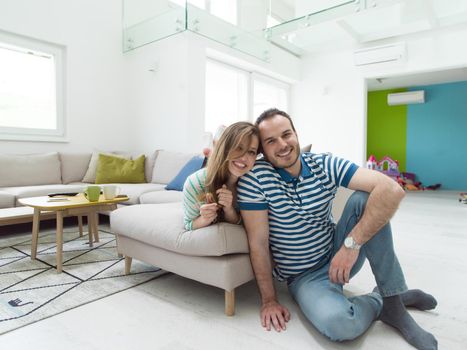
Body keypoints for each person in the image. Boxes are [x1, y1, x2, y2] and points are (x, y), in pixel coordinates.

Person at [237, 108, 438, 350]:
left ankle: (394, 304)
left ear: (296, 134)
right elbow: (258, 242)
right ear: (263, 150)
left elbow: (392, 189)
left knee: (367, 199)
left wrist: (350, 245)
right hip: (304, 277)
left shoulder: (323, 162)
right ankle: (382, 300)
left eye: (286, 134)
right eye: (271, 141)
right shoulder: (255, 180)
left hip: (339, 250)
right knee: (340, 325)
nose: (282, 145)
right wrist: (269, 300)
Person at [183, 122, 259, 230]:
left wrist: (229, 210)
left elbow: (245, 223)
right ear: (224, 148)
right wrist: (204, 219)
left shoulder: (252, 183)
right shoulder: (195, 183)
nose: (244, 158)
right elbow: (188, 224)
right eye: (238, 147)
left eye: (251, 152)